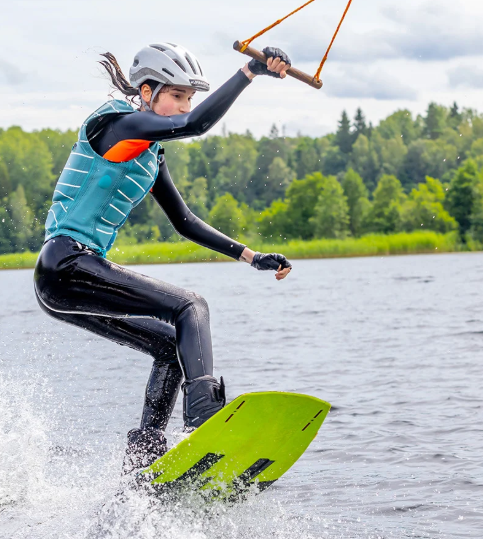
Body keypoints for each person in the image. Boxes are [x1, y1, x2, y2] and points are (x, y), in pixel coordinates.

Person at [33, 42, 294, 472]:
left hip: (68, 277)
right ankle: (205, 414)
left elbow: (185, 221)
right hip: (65, 262)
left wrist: (252, 256)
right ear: (148, 91)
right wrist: (250, 71)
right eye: (177, 96)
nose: (183, 107)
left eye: (189, 97)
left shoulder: (149, 153)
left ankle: (144, 463)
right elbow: (196, 124)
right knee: (191, 306)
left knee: (170, 344)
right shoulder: (115, 125)